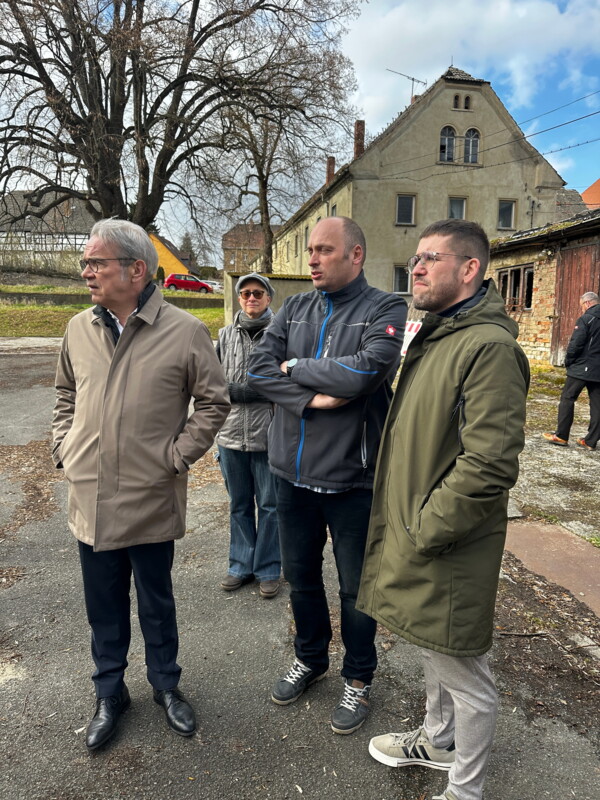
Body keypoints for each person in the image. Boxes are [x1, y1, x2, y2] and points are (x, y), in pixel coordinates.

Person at [358, 219, 529, 800]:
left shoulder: (489, 348)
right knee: (432, 643)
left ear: (470, 268)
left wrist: (425, 528)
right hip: (419, 532)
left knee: (465, 673)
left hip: (447, 541)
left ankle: (465, 790)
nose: (417, 268)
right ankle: (437, 741)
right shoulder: (440, 335)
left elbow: (489, 464)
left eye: (430, 257)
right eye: (416, 258)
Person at [52, 219, 230, 750]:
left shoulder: (184, 331)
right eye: (86, 262)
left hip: (151, 494)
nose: (87, 272)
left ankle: (166, 686)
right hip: (91, 497)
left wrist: (175, 458)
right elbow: (65, 394)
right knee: (103, 606)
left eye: (96, 262)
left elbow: (214, 402)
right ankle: (109, 693)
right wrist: (64, 447)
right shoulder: (78, 328)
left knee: (156, 602)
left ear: (136, 269)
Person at [247, 216, 407, 734]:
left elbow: (364, 372)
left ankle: (358, 678)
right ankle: (310, 658)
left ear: (355, 254)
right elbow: (258, 369)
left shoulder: (386, 307)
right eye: (310, 250)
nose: (312, 259)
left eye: (324, 250)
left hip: (352, 480)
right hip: (290, 475)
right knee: (301, 578)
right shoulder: (294, 307)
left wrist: (294, 368)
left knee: (357, 590)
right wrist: (313, 398)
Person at [216, 272, 281, 598]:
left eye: (257, 293)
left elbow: (288, 381)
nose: (251, 298)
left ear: (268, 298)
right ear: (239, 298)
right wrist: (238, 391)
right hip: (230, 435)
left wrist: (249, 391)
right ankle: (240, 565)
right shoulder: (225, 335)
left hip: (268, 436)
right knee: (239, 504)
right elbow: (211, 382)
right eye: (245, 293)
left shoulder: (282, 334)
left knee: (270, 506)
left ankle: (268, 568)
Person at [543, 291, 600, 451]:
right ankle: (590, 441)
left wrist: (569, 361)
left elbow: (576, 344)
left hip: (582, 367)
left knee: (567, 398)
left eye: (582, 305)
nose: (582, 309)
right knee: (597, 404)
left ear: (587, 303)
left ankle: (561, 435)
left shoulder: (586, 319)